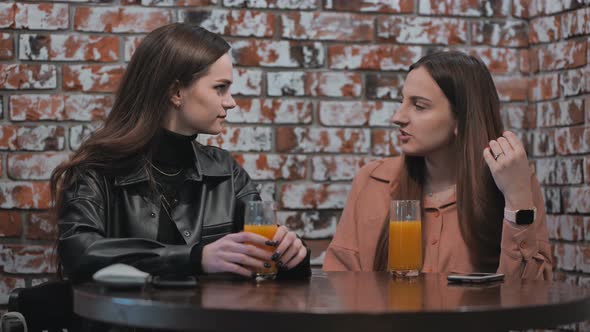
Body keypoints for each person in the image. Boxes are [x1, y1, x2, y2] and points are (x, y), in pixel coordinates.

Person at [51, 23, 310, 282]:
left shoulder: (225, 171)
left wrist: (292, 255)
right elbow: (79, 253)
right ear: (176, 92)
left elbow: (263, 256)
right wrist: (195, 258)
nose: (230, 101)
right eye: (220, 87)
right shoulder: (97, 171)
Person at [323, 51, 552, 279]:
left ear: (461, 120)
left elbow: (530, 296)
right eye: (401, 102)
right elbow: (338, 284)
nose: (398, 117)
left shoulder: (517, 184)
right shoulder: (371, 181)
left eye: (419, 106)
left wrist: (517, 200)